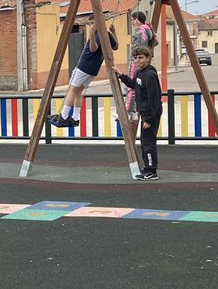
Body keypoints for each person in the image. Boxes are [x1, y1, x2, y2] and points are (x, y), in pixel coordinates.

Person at [48, 20, 118, 129]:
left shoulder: (98, 34)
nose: (90, 25)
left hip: (84, 66)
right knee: (79, 92)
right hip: (93, 68)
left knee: (72, 89)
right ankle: (75, 118)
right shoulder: (107, 34)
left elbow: (93, 48)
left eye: (91, 23)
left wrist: (91, 33)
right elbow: (116, 46)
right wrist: (114, 32)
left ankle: (64, 116)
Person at [116, 47, 162, 180]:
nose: (138, 60)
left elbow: (154, 99)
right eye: (136, 58)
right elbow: (133, 84)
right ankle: (147, 168)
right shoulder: (139, 73)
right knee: (144, 141)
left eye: (141, 58)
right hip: (145, 114)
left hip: (150, 114)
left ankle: (152, 170)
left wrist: (149, 119)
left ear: (148, 58)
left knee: (148, 142)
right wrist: (120, 74)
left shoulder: (150, 75)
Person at [125, 10, 157, 144]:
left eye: (133, 20)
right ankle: (132, 110)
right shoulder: (149, 29)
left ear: (137, 19)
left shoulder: (139, 31)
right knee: (136, 86)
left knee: (132, 85)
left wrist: (136, 56)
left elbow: (138, 47)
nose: (132, 22)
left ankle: (128, 110)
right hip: (143, 57)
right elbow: (154, 42)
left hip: (136, 60)